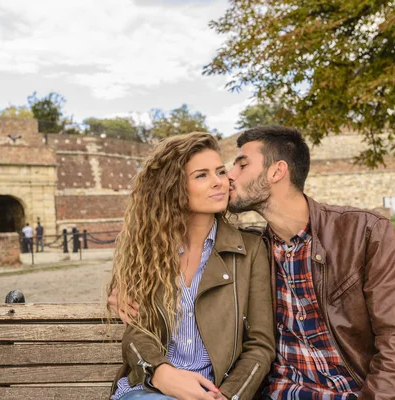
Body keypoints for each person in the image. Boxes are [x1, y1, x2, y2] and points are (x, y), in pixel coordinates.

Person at [110, 126, 395, 399]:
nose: (227, 179)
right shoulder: (255, 247)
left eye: (238, 166)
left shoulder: (363, 231)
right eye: (212, 173)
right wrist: (121, 289)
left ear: (276, 171)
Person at [107, 132, 275, 400]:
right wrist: (160, 372)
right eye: (202, 175)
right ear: (172, 187)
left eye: (220, 171)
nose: (219, 182)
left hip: (216, 390)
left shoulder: (251, 250)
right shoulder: (145, 251)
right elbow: (137, 331)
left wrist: (228, 396)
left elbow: (260, 346)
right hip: (151, 388)